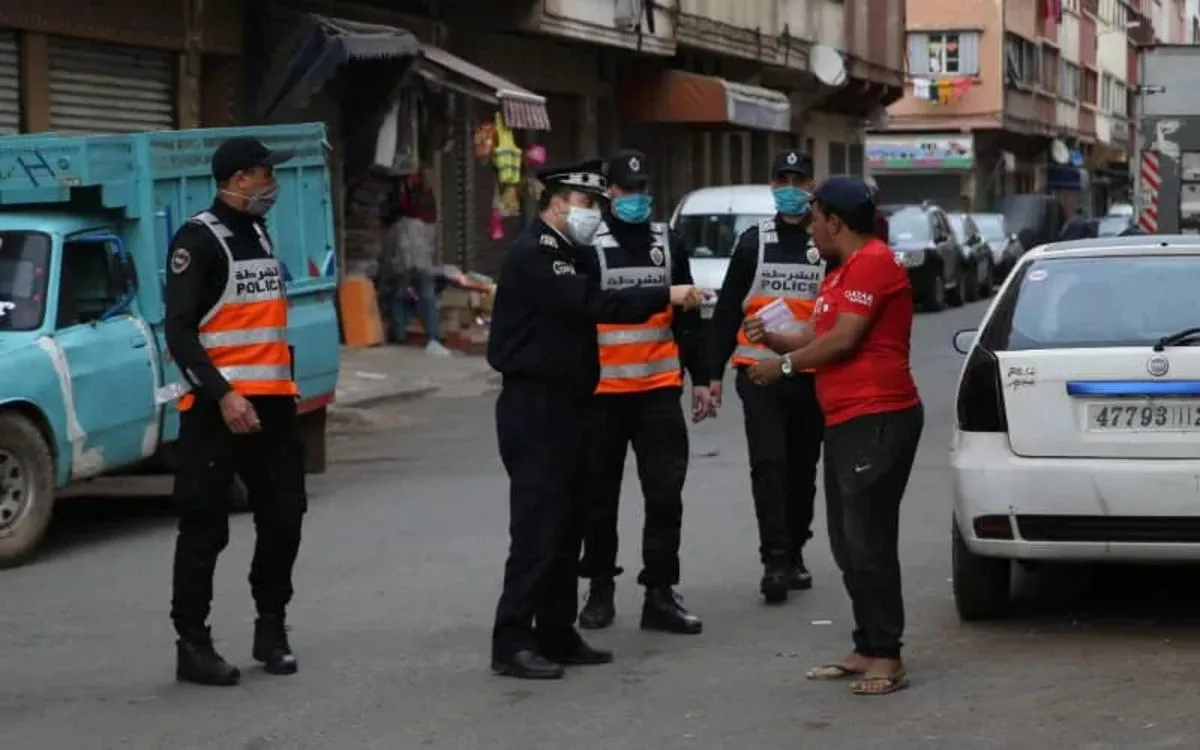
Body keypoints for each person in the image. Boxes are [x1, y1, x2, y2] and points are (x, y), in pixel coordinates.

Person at [487, 158, 706, 680]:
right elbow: (593, 303)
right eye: (587, 203)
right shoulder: (538, 253)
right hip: (535, 406)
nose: (594, 213)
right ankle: (512, 641)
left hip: (573, 404)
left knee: (567, 527)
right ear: (557, 203)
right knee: (538, 529)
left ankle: (557, 632)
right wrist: (665, 294)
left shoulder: (570, 250)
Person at [745, 175, 924, 696]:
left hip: (878, 416)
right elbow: (817, 334)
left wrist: (781, 368)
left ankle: (887, 655)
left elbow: (844, 341)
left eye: (815, 219)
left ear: (836, 222)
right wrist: (774, 338)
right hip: (847, 419)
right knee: (847, 542)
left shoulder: (873, 262)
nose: (809, 229)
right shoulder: (841, 270)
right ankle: (866, 644)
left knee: (868, 541)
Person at [163, 136, 307, 686]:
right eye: (267, 173)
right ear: (240, 178)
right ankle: (193, 644)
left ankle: (271, 628)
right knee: (204, 527)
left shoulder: (259, 232)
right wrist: (223, 394)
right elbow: (179, 331)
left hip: (272, 406)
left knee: (284, 517)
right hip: (215, 408)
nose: (274, 184)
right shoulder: (197, 240)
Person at [576, 150, 711, 635]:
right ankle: (600, 589)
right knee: (598, 499)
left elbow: (688, 314)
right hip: (602, 393)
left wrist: (703, 377)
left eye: (642, 189)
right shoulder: (588, 242)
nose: (636, 197)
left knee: (665, 496)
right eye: (627, 189)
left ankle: (660, 592)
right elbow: (584, 309)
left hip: (658, 390)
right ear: (608, 192)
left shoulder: (666, 241)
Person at [706, 148, 826, 604]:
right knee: (769, 466)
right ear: (773, 185)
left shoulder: (824, 243)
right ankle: (774, 561)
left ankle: (795, 550)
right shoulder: (753, 242)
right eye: (783, 180)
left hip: (810, 373)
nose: (791, 188)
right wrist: (711, 375)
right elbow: (725, 312)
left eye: (799, 180)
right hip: (759, 374)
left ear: (811, 186)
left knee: (802, 468)